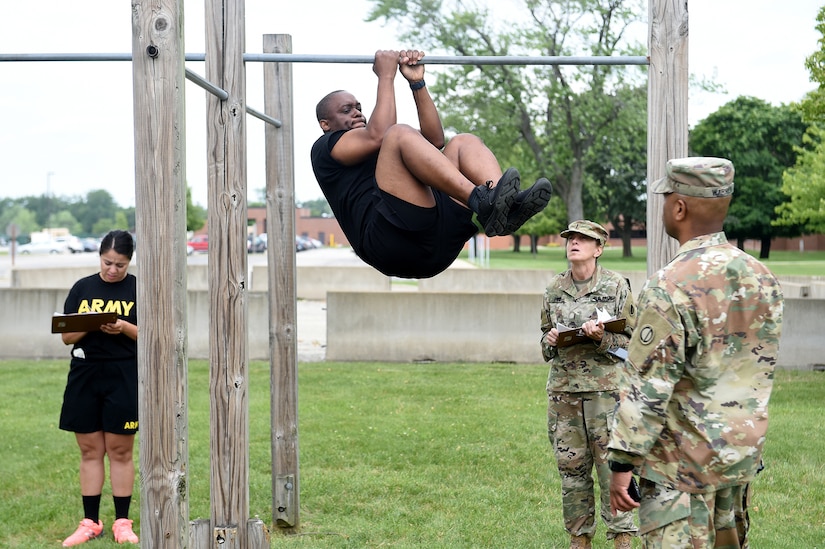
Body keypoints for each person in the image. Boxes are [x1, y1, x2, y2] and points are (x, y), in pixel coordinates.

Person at [607, 157, 784, 547]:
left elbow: (647, 388)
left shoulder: (670, 284)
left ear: (679, 208)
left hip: (680, 472)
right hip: (737, 460)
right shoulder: (761, 276)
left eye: (667, 197)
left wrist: (622, 464)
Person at [311, 49, 553, 278]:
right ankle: (482, 200)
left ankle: (504, 209)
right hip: (390, 243)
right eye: (346, 110)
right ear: (325, 123)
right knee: (396, 133)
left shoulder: (382, 147)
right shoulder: (325, 149)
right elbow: (379, 134)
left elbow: (435, 140)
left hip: (436, 240)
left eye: (359, 108)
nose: (357, 113)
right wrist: (386, 75)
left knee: (463, 142)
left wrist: (417, 83)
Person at [540, 220, 638, 549]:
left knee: (613, 469)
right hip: (564, 395)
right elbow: (544, 345)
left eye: (584, 239)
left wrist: (601, 338)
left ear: (598, 249)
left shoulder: (616, 287)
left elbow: (632, 343)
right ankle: (579, 540)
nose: (574, 243)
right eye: (570, 238)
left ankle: (623, 539)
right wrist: (552, 340)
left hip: (605, 394)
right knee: (571, 472)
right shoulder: (554, 289)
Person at [58, 230, 140, 546]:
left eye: (120, 264)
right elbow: (66, 335)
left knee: (120, 450)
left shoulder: (137, 289)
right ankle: (90, 522)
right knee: (90, 450)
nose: (113, 270)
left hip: (123, 374)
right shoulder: (83, 288)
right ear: (100, 257)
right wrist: (89, 322)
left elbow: (152, 333)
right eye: (108, 263)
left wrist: (122, 327)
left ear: (129, 262)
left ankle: (122, 522)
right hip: (85, 373)